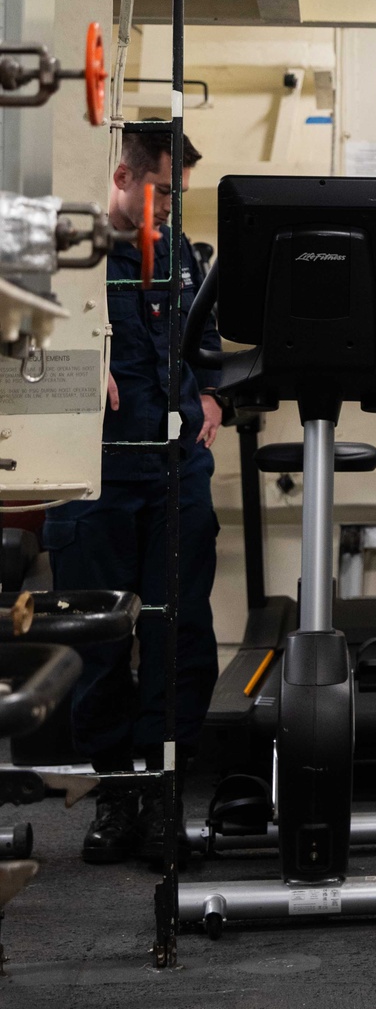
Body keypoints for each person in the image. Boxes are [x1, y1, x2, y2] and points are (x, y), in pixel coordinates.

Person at [43, 131, 222, 864]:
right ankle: (113, 795)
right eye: (166, 190)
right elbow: (21, 340)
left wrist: (209, 392)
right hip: (95, 475)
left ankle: (163, 793)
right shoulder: (64, 249)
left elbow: (201, 332)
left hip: (175, 468)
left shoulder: (178, 252)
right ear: (123, 175)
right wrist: (71, 358)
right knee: (99, 641)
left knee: (177, 633)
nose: (174, 206)